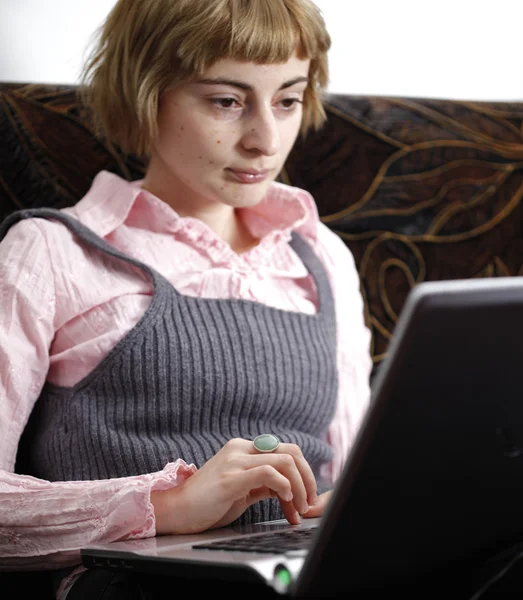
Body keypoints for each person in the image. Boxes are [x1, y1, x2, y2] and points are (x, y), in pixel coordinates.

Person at [0, 0, 372, 597]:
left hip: (301, 574)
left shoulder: (321, 255)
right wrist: (170, 504)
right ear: (146, 93)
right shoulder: (50, 252)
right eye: (227, 101)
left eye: (288, 99)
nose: (265, 140)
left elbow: (357, 470)